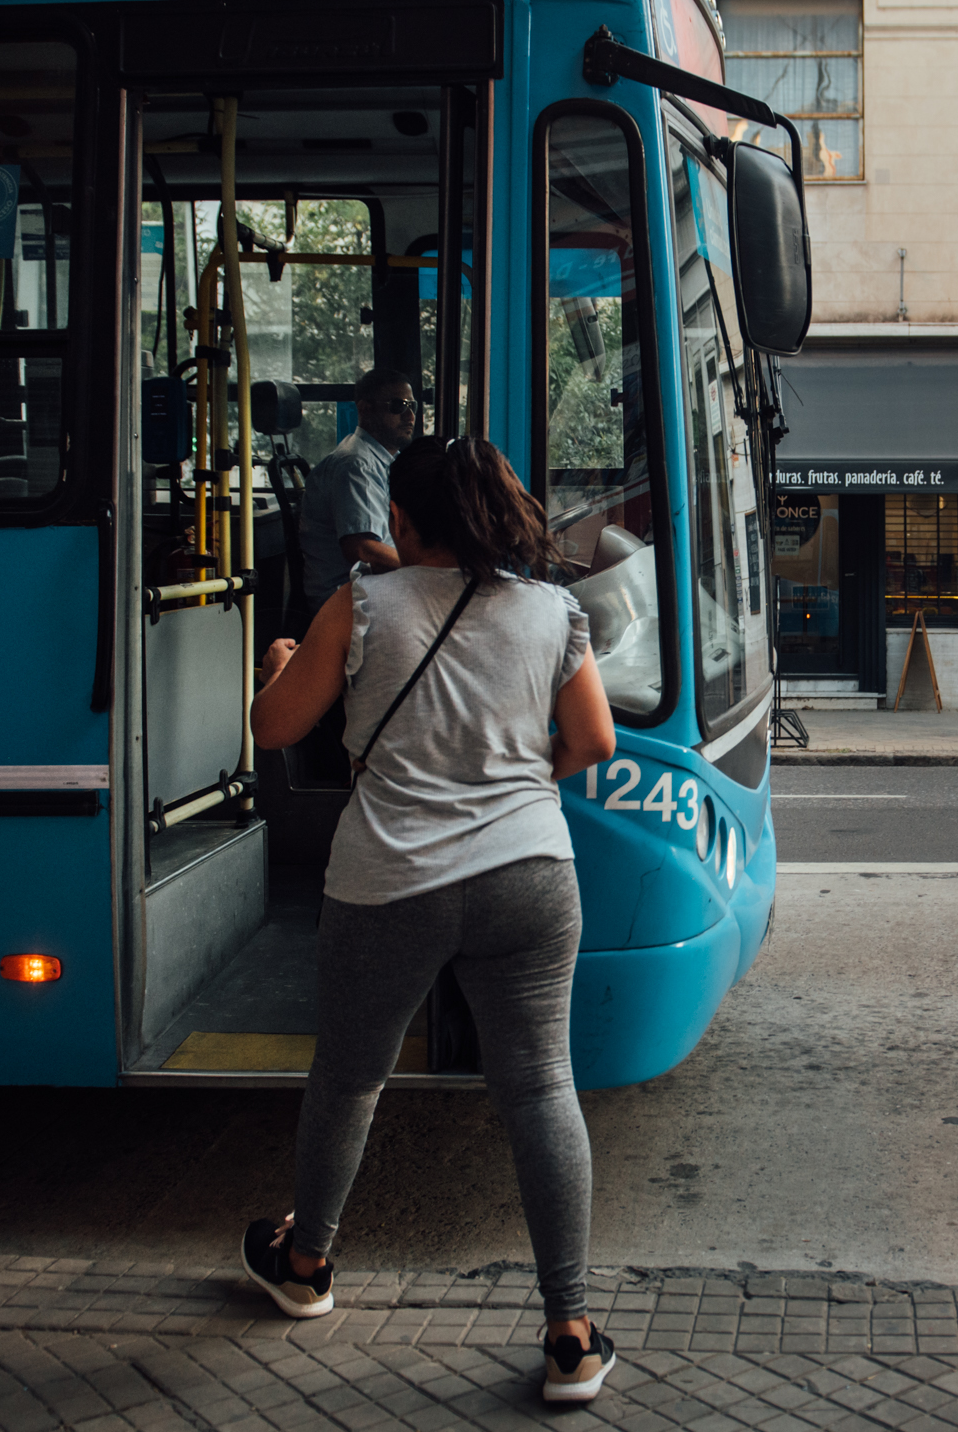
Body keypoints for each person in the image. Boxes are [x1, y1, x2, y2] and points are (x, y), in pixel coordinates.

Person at [239, 435, 621, 1406]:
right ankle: (571, 1334)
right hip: (531, 873)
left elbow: (274, 726)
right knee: (541, 1087)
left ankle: (305, 1265)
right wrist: (513, 781)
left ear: (403, 520)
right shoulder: (552, 609)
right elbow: (592, 739)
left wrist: (281, 661)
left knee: (350, 1076)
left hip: (390, 881)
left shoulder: (363, 602)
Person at [298, 367, 421, 611]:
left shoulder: (383, 461)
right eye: (398, 406)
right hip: (350, 598)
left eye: (412, 406)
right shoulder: (356, 465)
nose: (409, 416)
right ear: (365, 409)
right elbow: (363, 549)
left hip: (375, 587)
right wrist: (424, 568)